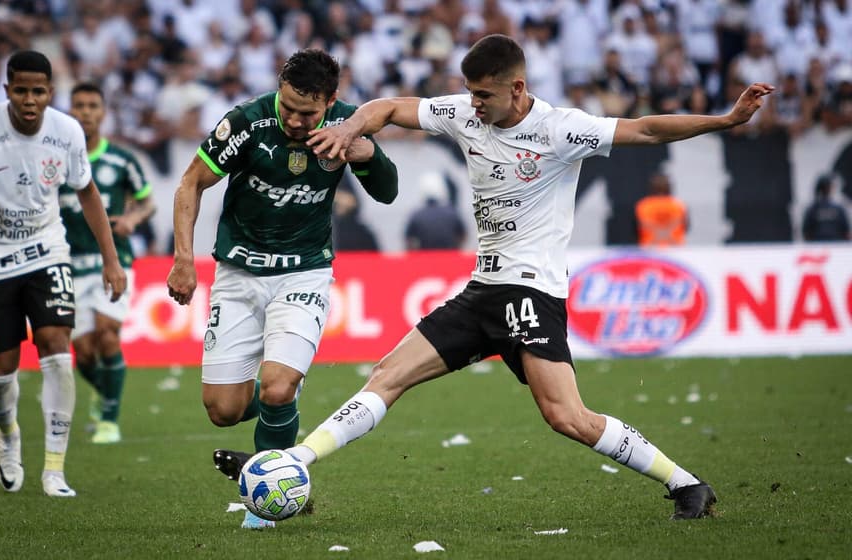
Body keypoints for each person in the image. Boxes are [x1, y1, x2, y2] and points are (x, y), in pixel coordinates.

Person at [213, 34, 775, 521]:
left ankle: (686, 484)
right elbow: (387, 107)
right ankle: (291, 464)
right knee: (387, 374)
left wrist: (725, 120)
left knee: (566, 417)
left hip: (530, 292)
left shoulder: (562, 129)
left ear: (518, 88)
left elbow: (647, 129)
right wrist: (349, 127)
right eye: (470, 91)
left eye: (484, 94)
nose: (472, 104)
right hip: (482, 290)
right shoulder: (463, 113)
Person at [166, 48, 398, 529]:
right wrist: (183, 259)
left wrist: (368, 152)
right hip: (238, 273)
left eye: (307, 112)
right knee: (223, 410)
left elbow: (388, 191)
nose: (294, 119)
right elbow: (191, 183)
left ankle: (265, 503)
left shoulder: (347, 125)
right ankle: (283, 398)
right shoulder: (247, 123)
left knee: (275, 387)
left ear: (330, 101)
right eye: (288, 105)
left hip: (304, 272)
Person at [0, 50, 126, 497]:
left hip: (47, 253)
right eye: (20, 90)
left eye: (38, 91)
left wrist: (111, 260)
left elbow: (87, 193)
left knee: (56, 347)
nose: (29, 100)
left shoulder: (66, 131)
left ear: (51, 92)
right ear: (6, 89)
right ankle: (8, 432)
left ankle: (54, 469)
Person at [59, 82, 156, 444]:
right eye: (79, 105)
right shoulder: (57, 160)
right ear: (70, 110)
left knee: (107, 333)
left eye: (92, 106)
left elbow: (147, 201)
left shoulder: (121, 160)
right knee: (83, 351)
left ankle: (109, 420)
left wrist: (133, 219)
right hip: (69, 263)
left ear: (103, 112)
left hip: (113, 261)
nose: (85, 112)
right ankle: (103, 391)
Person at [405, 170, 466, 250]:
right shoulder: (452, 213)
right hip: (450, 257)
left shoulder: (416, 215)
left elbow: (408, 240)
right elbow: (463, 235)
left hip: (425, 258)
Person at [635, 172, 689, 246]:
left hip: (649, 247)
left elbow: (642, 225)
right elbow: (682, 224)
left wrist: (657, 235)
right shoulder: (678, 205)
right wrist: (667, 235)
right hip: (675, 246)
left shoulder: (643, 205)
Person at [801, 174, 850, 241]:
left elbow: (806, 233)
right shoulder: (838, 209)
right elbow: (847, 232)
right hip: (836, 247)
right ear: (829, 188)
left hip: (818, 247)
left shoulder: (811, 209)